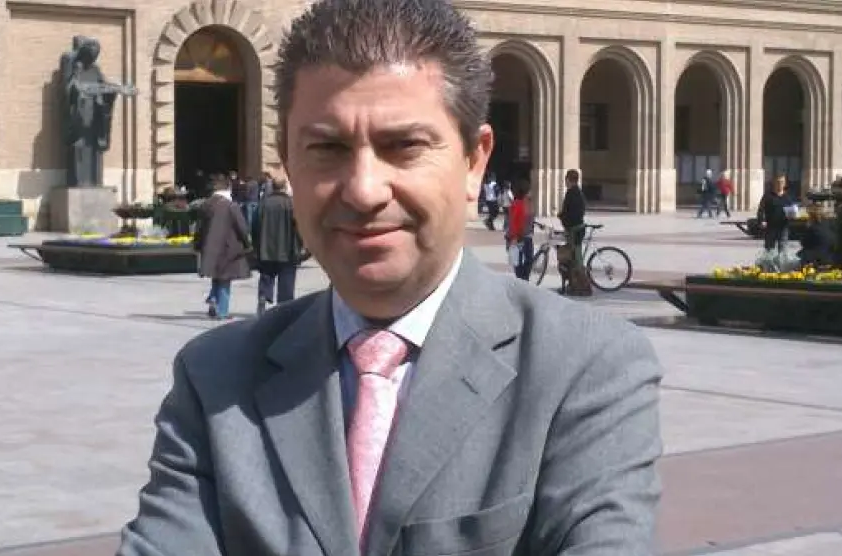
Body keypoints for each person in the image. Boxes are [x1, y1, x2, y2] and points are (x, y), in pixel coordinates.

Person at [118, 1, 663, 554]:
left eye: (403, 146)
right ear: (288, 161)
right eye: (327, 148)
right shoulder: (215, 381)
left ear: (474, 161)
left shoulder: (583, 367)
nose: (363, 190)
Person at [195, 176, 252, 320]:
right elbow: (241, 227)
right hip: (228, 247)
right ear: (228, 189)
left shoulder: (206, 205)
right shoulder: (231, 206)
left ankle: (213, 298)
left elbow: (199, 227)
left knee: (216, 276)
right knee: (225, 280)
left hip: (210, 248)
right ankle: (222, 311)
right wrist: (247, 243)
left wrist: (198, 244)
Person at [253, 179, 304, 316]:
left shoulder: (263, 203)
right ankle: (284, 305)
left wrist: (256, 243)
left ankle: (263, 295)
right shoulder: (291, 204)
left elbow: (255, 224)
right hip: (288, 248)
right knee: (286, 278)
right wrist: (301, 244)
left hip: (266, 247)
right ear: (285, 187)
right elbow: (299, 227)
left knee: (266, 274)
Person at [756, 173, 794, 253]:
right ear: (774, 183)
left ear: (785, 184)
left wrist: (792, 216)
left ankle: (782, 261)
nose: (780, 184)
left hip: (783, 226)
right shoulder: (768, 196)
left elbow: (792, 211)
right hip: (771, 227)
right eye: (778, 182)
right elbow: (761, 210)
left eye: (782, 182)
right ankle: (769, 261)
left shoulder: (787, 197)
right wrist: (762, 220)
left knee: (783, 249)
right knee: (769, 250)